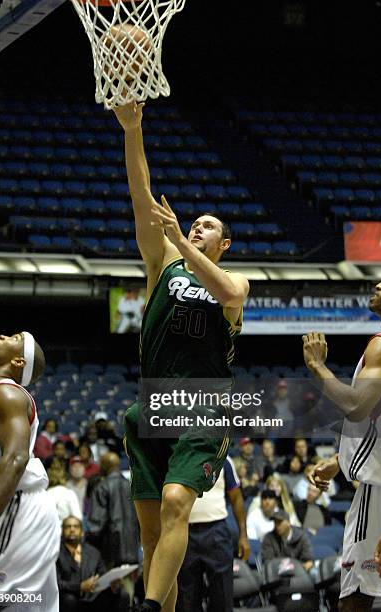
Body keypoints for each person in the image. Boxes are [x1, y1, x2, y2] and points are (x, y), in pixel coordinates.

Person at [113, 101, 249, 612]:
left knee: (176, 504)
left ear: (225, 243)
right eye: (193, 223)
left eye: (208, 226)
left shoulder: (235, 280)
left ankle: (146, 608)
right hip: (150, 407)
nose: (196, 226)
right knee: (151, 537)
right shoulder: (164, 263)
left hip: (203, 407)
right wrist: (133, 127)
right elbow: (139, 193)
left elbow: (229, 296)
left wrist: (183, 246)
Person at [302, 280, 381, 611]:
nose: (378, 284)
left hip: (378, 488)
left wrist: (317, 366)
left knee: (355, 597)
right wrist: (342, 459)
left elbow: (356, 407)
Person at [0, 332, 60, 609]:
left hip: (14, 507)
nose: (0, 335)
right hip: (5, 506)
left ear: (18, 361)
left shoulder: (6, 394)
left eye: (13, 337)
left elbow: (16, 457)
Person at [176, 456, 250, 612]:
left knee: (222, 595)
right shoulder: (176, 455)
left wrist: (243, 535)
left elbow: (236, 498)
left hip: (216, 530)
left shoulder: (223, 458)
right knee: (187, 598)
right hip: (184, 532)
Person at [57, 516, 130, 612]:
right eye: (68, 527)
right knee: (69, 600)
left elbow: (103, 575)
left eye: (76, 526)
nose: (72, 529)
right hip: (70, 599)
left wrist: (112, 584)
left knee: (123, 594)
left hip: (93, 599)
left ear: (82, 532)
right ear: (62, 531)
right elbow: (56, 583)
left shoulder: (93, 552)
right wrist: (80, 586)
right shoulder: (56, 553)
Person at [87, 452, 139, 569]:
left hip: (110, 549)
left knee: (113, 585)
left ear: (105, 466)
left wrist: (86, 539)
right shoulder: (132, 486)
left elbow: (97, 524)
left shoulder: (102, 487)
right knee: (129, 585)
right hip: (133, 546)